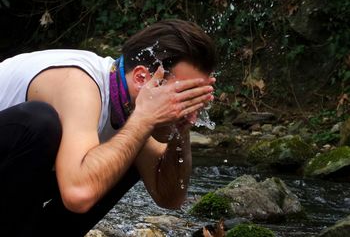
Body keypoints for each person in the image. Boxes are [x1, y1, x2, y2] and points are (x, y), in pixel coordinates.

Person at [0, 19, 217, 236]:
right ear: (142, 78)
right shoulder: (79, 84)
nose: (187, 107)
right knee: (42, 122)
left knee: (124, 150)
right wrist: (143, 120)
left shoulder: (130, 107)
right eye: (182, 95)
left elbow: (169, 197)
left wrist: (182, 129)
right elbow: (78, 194)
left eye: (195, 99)